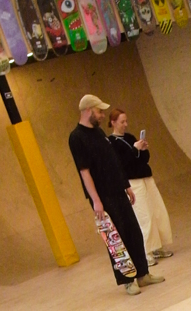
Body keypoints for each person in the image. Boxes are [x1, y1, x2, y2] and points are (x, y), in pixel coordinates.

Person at [68, 94, 164, 297]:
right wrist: (96, 201)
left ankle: (143, 274)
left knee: (133, 232)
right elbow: (84, 172)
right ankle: (128, 280)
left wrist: (125, 185)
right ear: (88, 111)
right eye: (99, 111)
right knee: (116, 239)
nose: (102, 115)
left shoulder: (99, 132)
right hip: (103, 196)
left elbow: (112, 161)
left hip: (118, 190)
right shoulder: (76, 137)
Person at [107, 108, 174, 267]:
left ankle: (157, 247)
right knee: (144, 216)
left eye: (126, 121)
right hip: (133, 182)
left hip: (146, 177)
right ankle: (145, 252)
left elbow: (143, 159)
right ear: (113, 122)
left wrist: (143, 149)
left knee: (157, 212)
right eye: (122, 122)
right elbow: (121, 163)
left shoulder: (130, 137)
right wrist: (135, 149)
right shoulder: (111, 142)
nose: (125, 124)